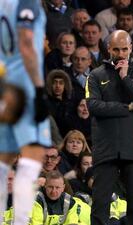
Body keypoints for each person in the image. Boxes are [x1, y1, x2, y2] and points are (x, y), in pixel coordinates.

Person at [86, 30, 133, 225]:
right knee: (99, 208)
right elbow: (93, 106)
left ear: (131, 48)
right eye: (116, 49)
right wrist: (127, 107)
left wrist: (125, 78)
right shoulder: (95, 75)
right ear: (109, 49)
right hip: (106, 149)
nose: (121, 54)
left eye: (125, 49)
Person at [0, 1, 51, 225]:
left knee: (4, 159)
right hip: (24, 84)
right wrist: (39, 89)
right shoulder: (26, 2)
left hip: (4, 84)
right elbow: (27, 41)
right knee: (32, 157)